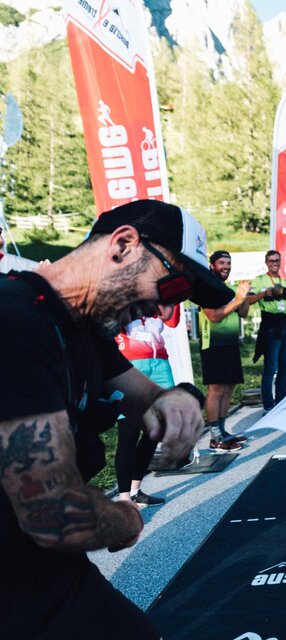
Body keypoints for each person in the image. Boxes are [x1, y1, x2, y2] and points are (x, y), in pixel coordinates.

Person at [0, 199, 231, 639]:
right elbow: (55, 515)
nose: (164, 312)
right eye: (172, 286)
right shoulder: (16, 323)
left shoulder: (77, 326)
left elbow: (146, 395)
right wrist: (126, 517)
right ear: (124, 244)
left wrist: (177, 398)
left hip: (47, 575)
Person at [114, 308, 181, 507]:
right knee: (129, 432)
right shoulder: (124, 293)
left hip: (160, 363)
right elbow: (113, 322)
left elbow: (171, 320)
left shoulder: (156, 296)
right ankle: (124, 498)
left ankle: (136, 489)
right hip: (130, 363)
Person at [200, 250, 250, 450]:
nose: (226, 267)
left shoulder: (228, 289)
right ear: (212, 265)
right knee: (216, 389)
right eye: (221, 263)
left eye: (228, 263)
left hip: (230, 343)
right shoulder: (207, 287)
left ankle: (222, 431)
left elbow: (244, 314)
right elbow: (213, 316)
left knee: (228, 388)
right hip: (213, 344)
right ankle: (214, 436)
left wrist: (243, 297)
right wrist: (237, 300)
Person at [248, 250, 286, 412]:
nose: (274, 263)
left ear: (280, 261)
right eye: (271, 261)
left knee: (285, 366)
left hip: (285, 324)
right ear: (266, 262)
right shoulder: (259, 280)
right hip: (270, 324)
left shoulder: (284, 281)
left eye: (277, 260)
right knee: (271, 367)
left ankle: (281, 402)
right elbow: (248, 300)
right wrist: (265, 293)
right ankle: (268, 406)